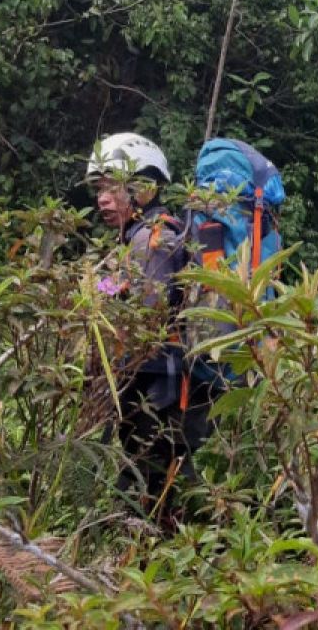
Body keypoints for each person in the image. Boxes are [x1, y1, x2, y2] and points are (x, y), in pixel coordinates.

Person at [86, 132, 214, 518]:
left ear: (144, 189)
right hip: (158, 378)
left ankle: (146, 553)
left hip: (160, 383)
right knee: (157, 474)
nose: (103, 198)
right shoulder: (139, 238)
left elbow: (150, 311)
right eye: (99, 188)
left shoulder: (152, 240)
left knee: (150, 474)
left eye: (114, 187)